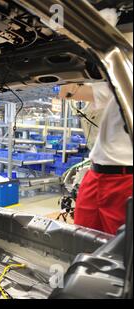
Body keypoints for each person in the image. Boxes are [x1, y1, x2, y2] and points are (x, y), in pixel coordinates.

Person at [59, 82, 133, 234]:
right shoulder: (121, 78)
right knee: (81, 237)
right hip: (95, 176)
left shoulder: (124, 79)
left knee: (119, 248)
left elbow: (67, 92)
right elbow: (67, 92)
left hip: (125, 182)